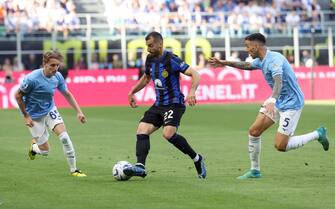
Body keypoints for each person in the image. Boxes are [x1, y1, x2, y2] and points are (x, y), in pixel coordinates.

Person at [208, 33, 330, 179]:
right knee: (254, 131)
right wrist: (224, 63)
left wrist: (272, 100)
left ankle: (318, 134)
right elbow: (247, 65)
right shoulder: (261, 60)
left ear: (256, 45)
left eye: (247, 46)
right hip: (277, 100)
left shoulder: (274, 60)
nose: (247, 50)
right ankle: (255, 171)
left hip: (291, 104)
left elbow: (278, 81)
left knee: (280, 146)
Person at [125, 31, 206, 179]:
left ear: (160, 43)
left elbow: (195, 74)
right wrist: (132, 92)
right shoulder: (149, 59)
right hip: (159, 104)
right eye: (147, 46)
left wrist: (192, 91)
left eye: (151, 45)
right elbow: (146, 78)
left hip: (174, 104)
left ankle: (197, 159)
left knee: (168, 134)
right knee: (142, 129)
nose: (148, 49)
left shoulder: (172, 59)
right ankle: (140, 167)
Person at [15, 50, 87, 177]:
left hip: (49, 110)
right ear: (45, 64)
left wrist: (79, 112)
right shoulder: (32, 79)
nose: (55, 68)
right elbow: (18, 96)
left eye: (57, 65)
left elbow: (67, 94)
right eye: (52, 65)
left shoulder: (58, 77)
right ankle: (34, 148)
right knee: (45, 151)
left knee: (64, 137)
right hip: (33, 116)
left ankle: (74, 170)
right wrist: (26, 116)